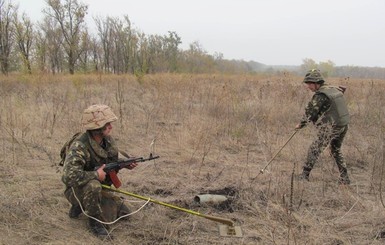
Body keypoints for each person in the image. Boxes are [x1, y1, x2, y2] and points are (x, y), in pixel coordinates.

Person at [61, 104, 137, 238]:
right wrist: (96, 175)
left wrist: (123, 165)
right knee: (93, 185)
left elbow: (108, 162)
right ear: (96, 127)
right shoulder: (79, 146)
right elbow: (68, 176)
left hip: (100, 187)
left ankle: (82, 206)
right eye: (107, 124)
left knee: (124, 213)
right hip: (76, 189)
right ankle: (95, 223)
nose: (110, 126)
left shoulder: (107, 140)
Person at [295, 69, 351, 184]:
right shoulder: (333, 89)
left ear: (317, 83)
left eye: (310, 84)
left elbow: (311, 113)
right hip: (343, 125)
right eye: (307, 84)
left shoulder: (321, 95)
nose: (308, 86)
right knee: (336, 150)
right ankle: (345, 178)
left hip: (331, 127)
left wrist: (301, 124)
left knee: (314, 149)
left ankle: (304, 176)